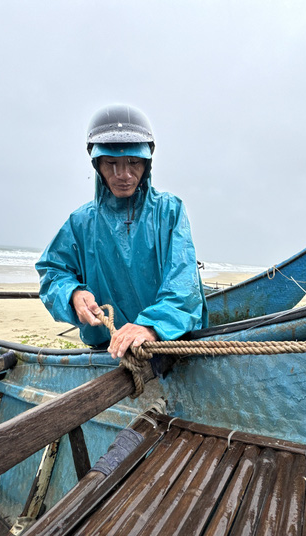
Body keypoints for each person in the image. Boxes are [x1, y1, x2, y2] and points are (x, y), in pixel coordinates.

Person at [36, 104, 207, 361]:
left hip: (168, 344)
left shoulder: (169, 210)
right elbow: (53, 272)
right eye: (111, 163)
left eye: (133, 162)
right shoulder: (81, 222)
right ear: (97, 164)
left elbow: (184, 284)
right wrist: (72, 293)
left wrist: (152, 325)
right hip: (109, 350)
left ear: (146, 162)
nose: (123, 175)